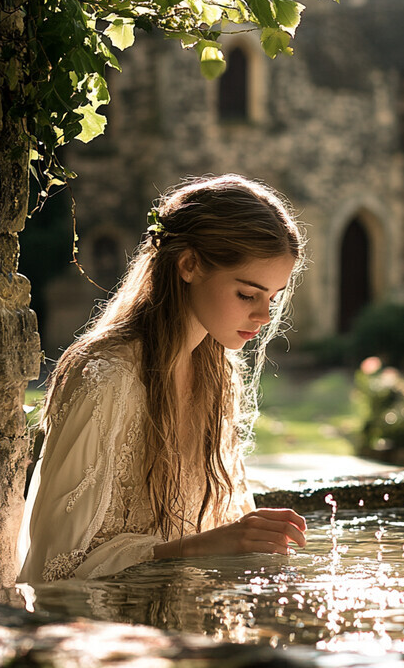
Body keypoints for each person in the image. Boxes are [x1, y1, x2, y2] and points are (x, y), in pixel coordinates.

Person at [17, 174, 308, 583]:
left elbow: (231, 532)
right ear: (188, 265)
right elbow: (55, 568)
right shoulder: (106, 379)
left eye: (272, 299)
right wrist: (202, 547)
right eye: (247, 294)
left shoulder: (218, 373)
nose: (263, 316)